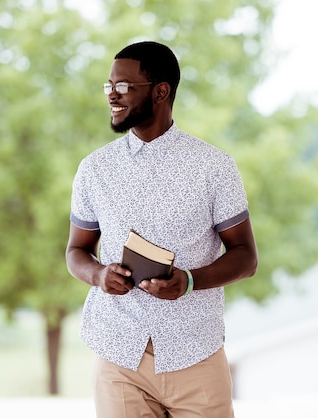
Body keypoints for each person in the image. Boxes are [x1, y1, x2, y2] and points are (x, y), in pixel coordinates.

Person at [65, 40, 258, 418]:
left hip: (195, 354)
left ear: (161, 91)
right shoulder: (95, 169)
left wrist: (187, 281)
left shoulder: (214, 166)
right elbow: (76, 251)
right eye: (109, 86)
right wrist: (99, 274)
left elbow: (245, 257)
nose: (112, 96)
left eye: (123, 86)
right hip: (119, 356)